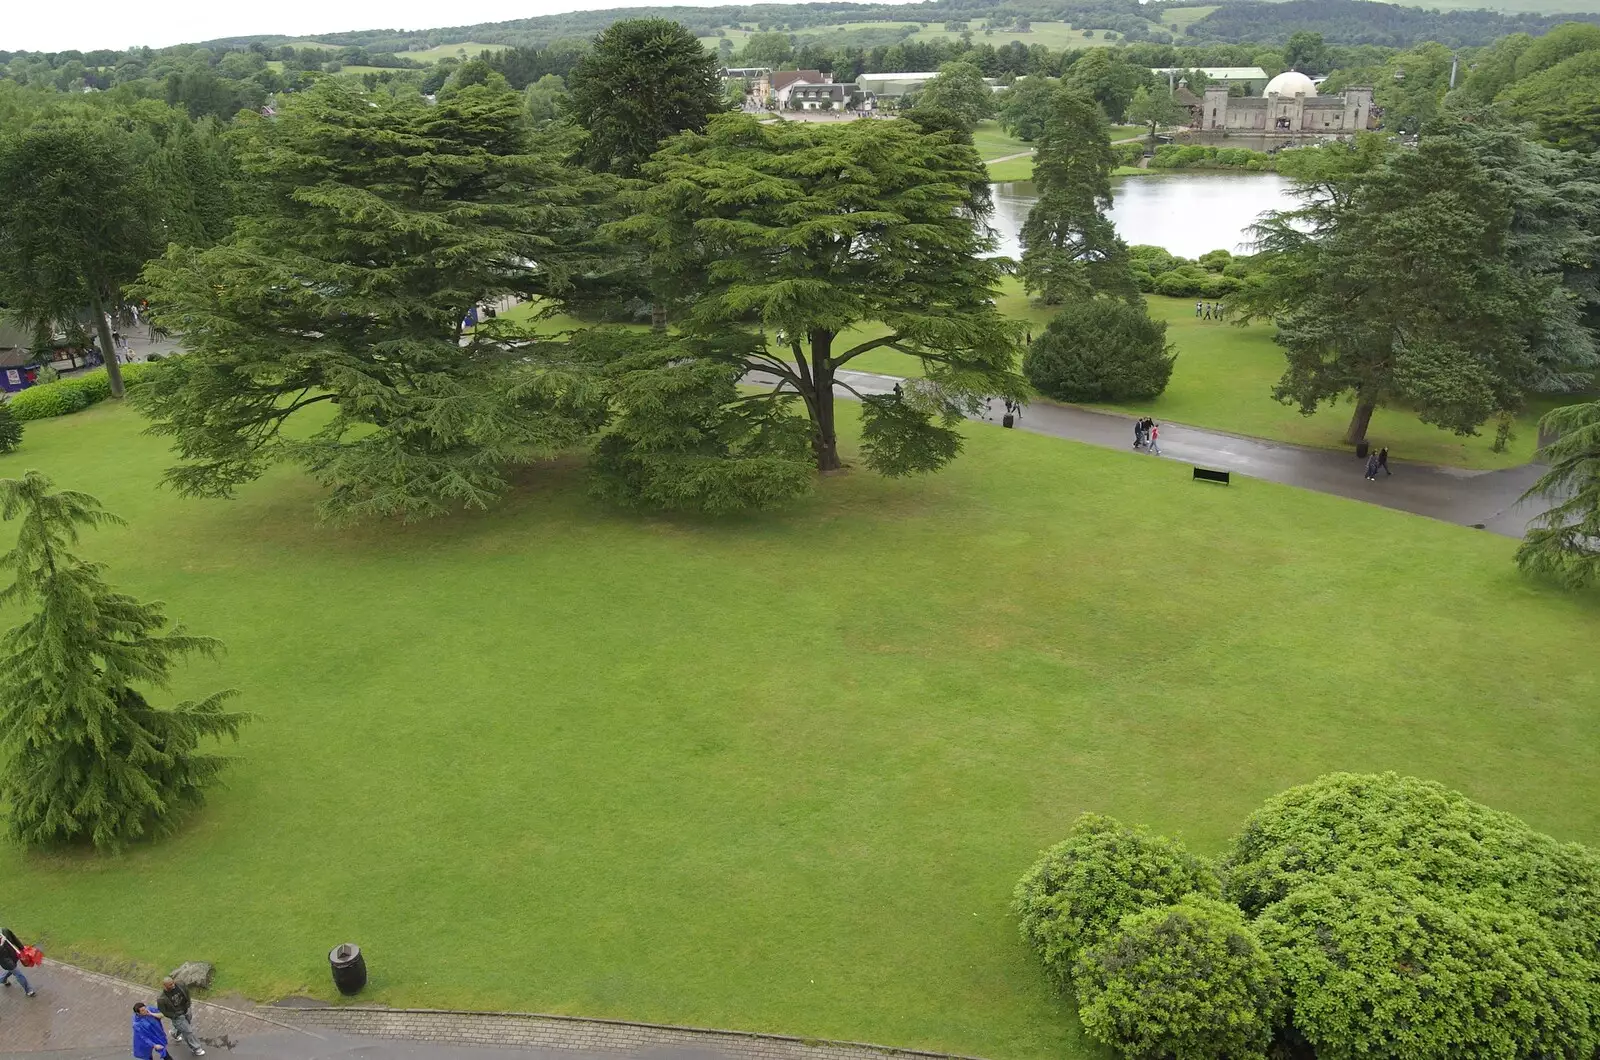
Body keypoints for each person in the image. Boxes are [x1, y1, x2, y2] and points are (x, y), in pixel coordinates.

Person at [158, 976, 206, 1056]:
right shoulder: (161, 999)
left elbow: (187, 993)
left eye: (173, 983)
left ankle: (174, 1033)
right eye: (170, 985)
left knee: (186, 1024)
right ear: (164, 986)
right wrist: (174, 1015)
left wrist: (189, 1004)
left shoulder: (180, 984)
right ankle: (197, 1048)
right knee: (188, 1031)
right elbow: (164, 1011)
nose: (173, 985)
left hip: (186, 1010)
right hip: (177, 1016)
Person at [0, 927, 36, 996]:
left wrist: (22, 948)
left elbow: (14, 939)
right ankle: (29, 990)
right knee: (18, 974)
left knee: (12, 970)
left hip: (13, 956)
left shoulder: (5, 931)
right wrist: (2, 943)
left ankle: (2, 979)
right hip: (5, 961)